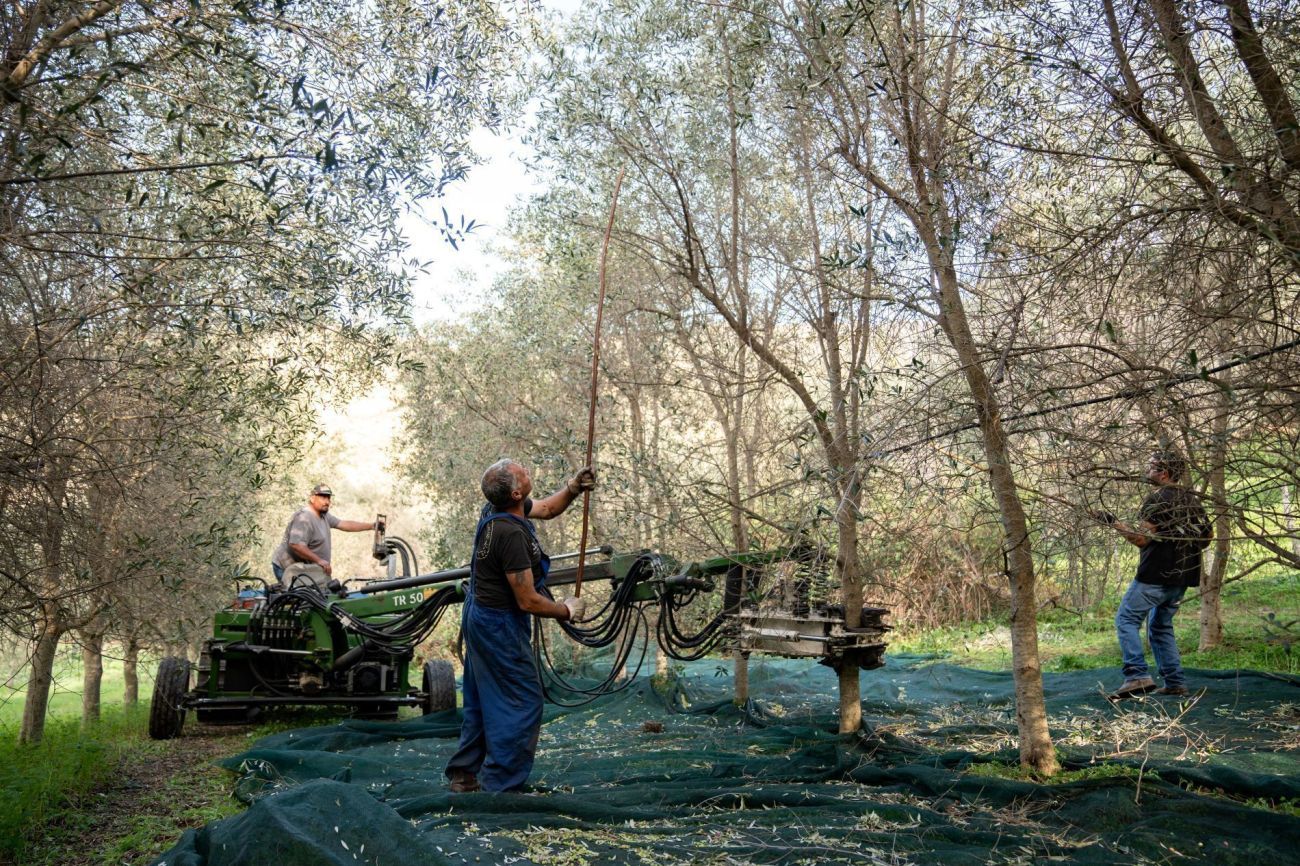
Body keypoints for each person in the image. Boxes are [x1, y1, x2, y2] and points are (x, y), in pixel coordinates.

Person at [445, 459, 595, 793]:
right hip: (498, 624)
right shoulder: (510, 534)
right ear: (515, 491)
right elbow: (527, 600)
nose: (527, 470)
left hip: (479, 615)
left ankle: (464, 774)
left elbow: (546, 508)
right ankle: (502, 785)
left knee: (481, 697)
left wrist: (572, 488)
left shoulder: (498, 508)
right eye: (522, 472)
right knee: (523, 700)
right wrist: (566, 611)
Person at [1093, 450, 1211, 699]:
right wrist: (1183, 550)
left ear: (1163, 473)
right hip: (1183, 577)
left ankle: (1137, 676)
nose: (1147, 472)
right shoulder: (1192, 499)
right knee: (1160, 626)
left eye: (1151, 468)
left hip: (1155, 575)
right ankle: (1175, 682)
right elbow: (1207, 537)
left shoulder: (1159, 500)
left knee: (1126, 620)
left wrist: (1111, 521)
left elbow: (1141, 539)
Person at [271, 484, 381, 587]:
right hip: (287, 568)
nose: (327, 501)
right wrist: (319, 561)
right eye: (323, 497)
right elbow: (296, 545)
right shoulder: (304, 518)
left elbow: (344, 524)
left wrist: (371, 526)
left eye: (328, 498)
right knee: (300, 601)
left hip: (305, 569)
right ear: (312, 498)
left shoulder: (324, 516)